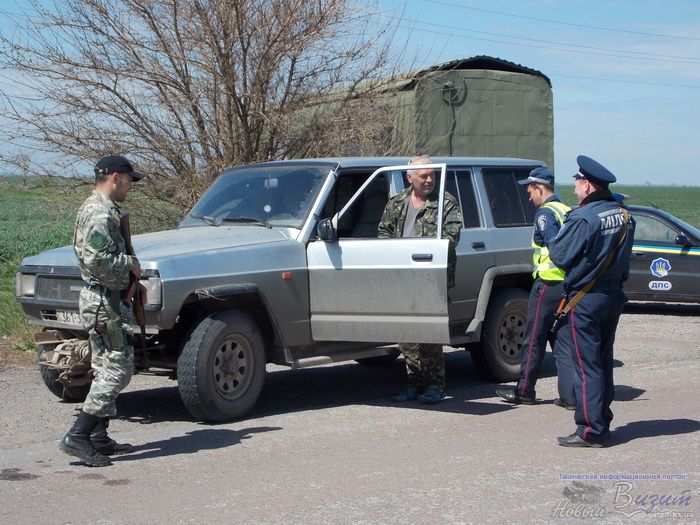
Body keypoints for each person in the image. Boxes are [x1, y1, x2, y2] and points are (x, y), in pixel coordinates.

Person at [59, 155, 144, 466]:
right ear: (114, 177)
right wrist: (132, 266)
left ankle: (98, 436)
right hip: (104, 300)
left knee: (104, 366)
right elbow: (97, 260)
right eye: (128, 179)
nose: (130, 186)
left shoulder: (102, 209)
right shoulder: (100, 213)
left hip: (106, 298)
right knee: (117, 368)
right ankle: (78, 435)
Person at [548, 155, 635, 448]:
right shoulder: (624, 215)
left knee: (586, 366)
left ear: (587, 185)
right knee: (602, 361)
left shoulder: (584, 217)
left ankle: (590, 429)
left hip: (585, 299)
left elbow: (560, 256)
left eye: (576, 183)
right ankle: (602, 420)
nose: (574, 189)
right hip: (612, 296)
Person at [377, 154, 462, 404]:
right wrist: (392, 254)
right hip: (403, 279)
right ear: (409, 177)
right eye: (423, 175)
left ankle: (435, 386)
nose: (428, 180)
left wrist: (422, 252)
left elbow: (452, 237)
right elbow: (383, 232)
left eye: (432, 175)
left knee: (430, 336)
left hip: (430, 280)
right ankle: (414, 384)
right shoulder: (397, 202)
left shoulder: (446, 203)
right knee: (407, 336)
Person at [495, 167, 576, 410]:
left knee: (533, 339)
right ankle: (570, 396)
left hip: (548, 284)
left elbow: (555, 247)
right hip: (568, 286)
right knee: (562, 340)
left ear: (540, 188)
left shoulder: (545, 215)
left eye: (530, 189)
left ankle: (524, 391)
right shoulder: (567, 210)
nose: (529, 196)